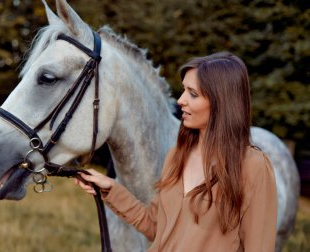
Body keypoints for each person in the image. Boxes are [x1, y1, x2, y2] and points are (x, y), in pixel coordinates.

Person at [75, 52, 277, 252]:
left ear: (220, 102)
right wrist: (109, 188)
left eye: (193, 94)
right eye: (183, 90)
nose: (181, 100)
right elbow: (156, 226)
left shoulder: (253, 166)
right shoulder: (176, 156)